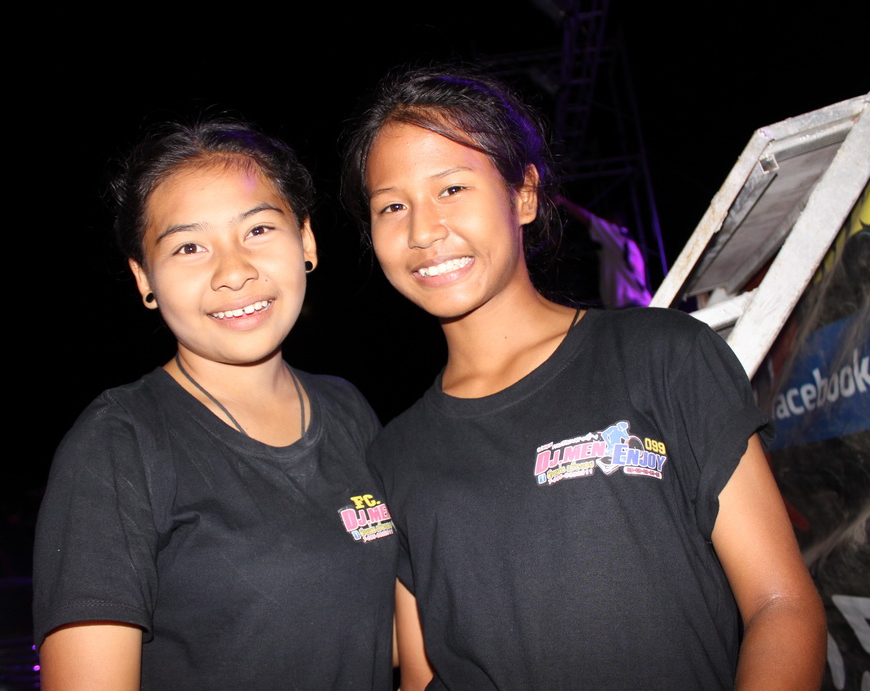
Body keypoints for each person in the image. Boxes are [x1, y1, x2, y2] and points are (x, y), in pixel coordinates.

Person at [341, 66, 826, 690]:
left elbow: (781, 606)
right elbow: (422, 675)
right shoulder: (393, 454)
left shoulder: (662, 355)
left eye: (452, 188)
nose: (423, 230)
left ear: (524, 194)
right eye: (392, 206)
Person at [33, 119, 397, 690]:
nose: (233, 272)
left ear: (306, 240)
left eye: (258, 229)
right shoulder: (118, 442)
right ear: (143, 277)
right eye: (189, 247)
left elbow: (369, 631)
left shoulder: (348, 409)